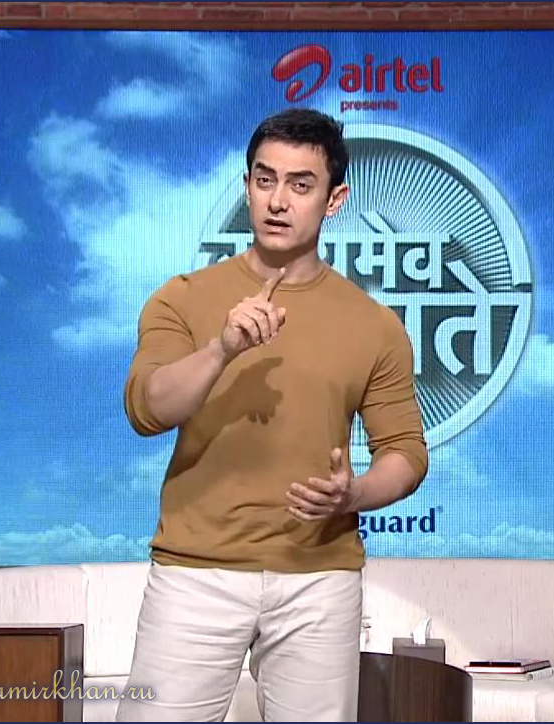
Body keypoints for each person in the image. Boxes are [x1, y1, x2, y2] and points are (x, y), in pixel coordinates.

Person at [116, 108, 428, 723]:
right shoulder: (183, 297)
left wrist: (354, 495)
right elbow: (147, 410)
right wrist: (221, 349)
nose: (278, 201)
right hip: (196, 573)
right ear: (247, 186)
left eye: (300, 185)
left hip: (319, 579)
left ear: (334, 200)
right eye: (265, 180)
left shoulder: (375, 325)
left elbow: (406, 452)